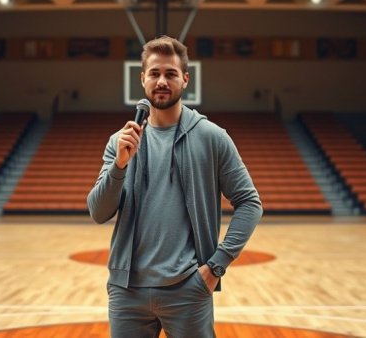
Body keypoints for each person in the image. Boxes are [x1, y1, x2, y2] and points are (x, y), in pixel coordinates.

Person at [87, 35, 262, 338]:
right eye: (154, 73)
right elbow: (98, 212)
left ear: (185, 79)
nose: (162, 81)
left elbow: (249, 202)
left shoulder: (211, 137)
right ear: (142, 79)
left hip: (188, 290)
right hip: (126, 291)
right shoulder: (121, 142)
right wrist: (119, 166)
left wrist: (216, 266)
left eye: (170, 73)